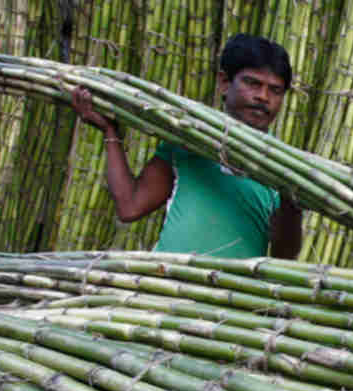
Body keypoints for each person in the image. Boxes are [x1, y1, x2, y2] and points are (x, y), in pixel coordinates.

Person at [71, 34, 302, 259]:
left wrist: (291, 197)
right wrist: (110, 132)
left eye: (275, 90)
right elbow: (130, 206)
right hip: (167, 286)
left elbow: (284, 254)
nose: (263, 97)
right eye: (252, 83)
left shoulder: (283, 166)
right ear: (224, 82)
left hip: (233, 295)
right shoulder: (188, 140)